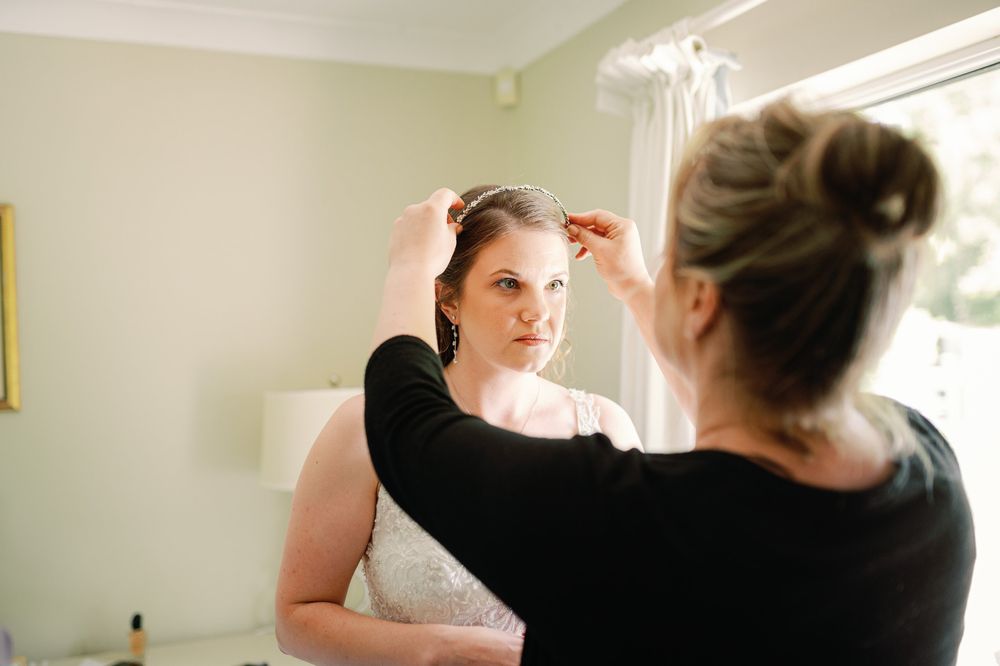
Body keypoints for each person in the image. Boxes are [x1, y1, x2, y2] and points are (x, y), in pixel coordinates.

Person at [363, 101, 976, 664]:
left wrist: (410, 266)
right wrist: (636, 287)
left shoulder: (629, 520)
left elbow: (409, 429)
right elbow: (749, 405)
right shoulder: (928, 472)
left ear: (701, 300)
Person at [274, 184, 642, 665]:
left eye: (555, 284)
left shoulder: (605, 428)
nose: (538, 311)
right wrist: (439, 649)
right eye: (508, 283)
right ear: (449, 300)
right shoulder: (365, 427)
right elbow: (296, 620)